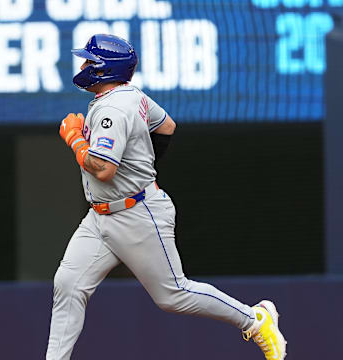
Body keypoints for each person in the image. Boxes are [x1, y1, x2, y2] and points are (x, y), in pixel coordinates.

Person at [46, 34, 287, 360]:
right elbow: (167, 126)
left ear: (105, 69)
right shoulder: (132, 96)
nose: (83, 65)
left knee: (173, 294)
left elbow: (103, 169)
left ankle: (256, 319)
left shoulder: (113, 109)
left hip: (136, 213)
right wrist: (139, 163)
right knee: (69, 284)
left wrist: (74, 138)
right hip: (101, 215)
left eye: (90, 60)